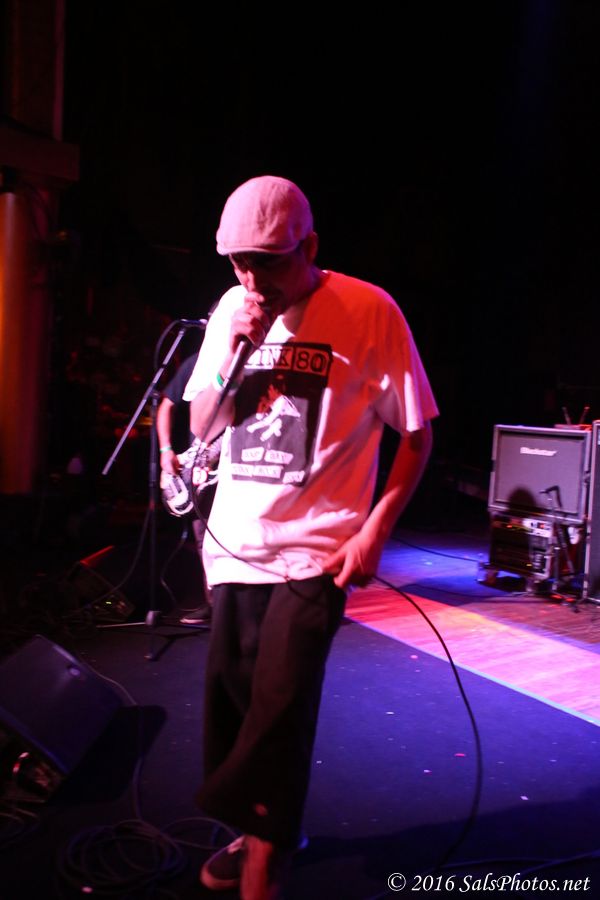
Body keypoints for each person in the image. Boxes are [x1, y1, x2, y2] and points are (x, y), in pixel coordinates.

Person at [184, 175, 439, 899]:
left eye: (267, 261)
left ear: (310, 246)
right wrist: (234, 356)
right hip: (235, 546)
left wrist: (375, 532)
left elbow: (417, 435)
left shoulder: (367, 310)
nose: (251, 279)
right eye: (239, 263)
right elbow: (203, 425)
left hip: (316, 550)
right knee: (236, 707)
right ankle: (265, 828)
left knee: (281, 707)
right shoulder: (231, 310)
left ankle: (265, 860)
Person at [156, 354, 214, 625]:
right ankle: (212, 602)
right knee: (203, 538)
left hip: (237, 464)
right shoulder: (198, 362)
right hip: (200, 468)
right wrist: (166, 449)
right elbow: (166, 406)